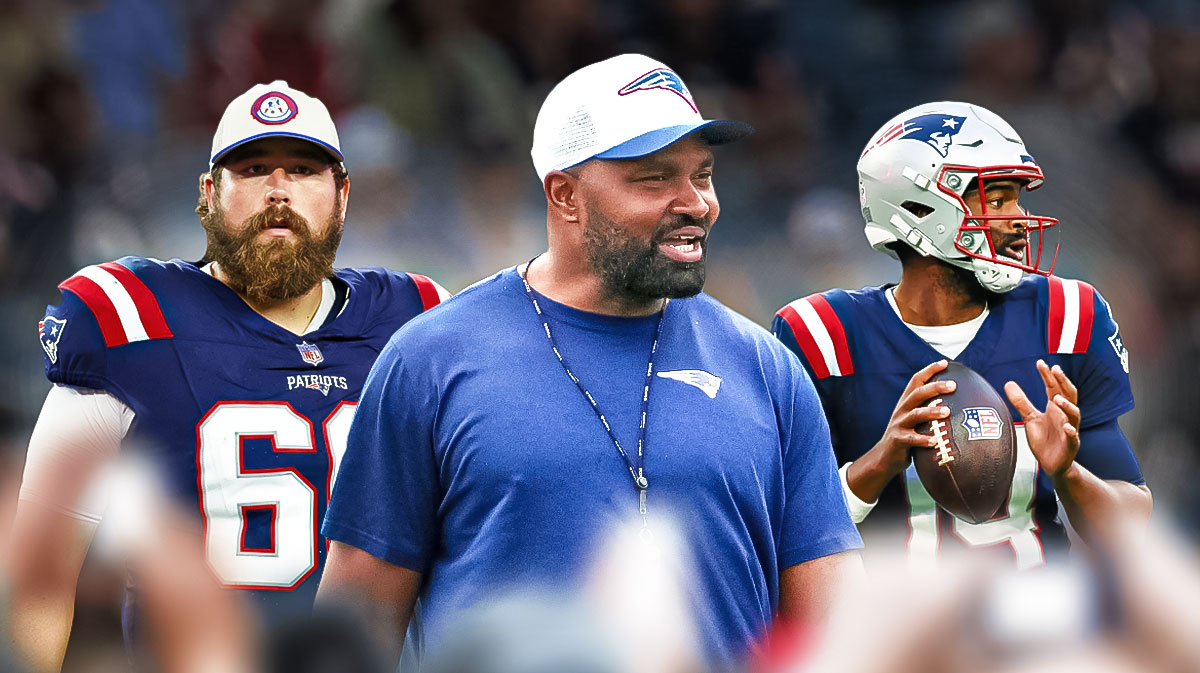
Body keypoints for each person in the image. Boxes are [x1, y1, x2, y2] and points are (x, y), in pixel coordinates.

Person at [316, 53, 863, 668]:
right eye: (655, 179)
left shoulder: (767, 369)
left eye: (702, 175)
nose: (697, 204)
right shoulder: (432, 360)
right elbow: (354, 629)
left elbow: (835, 637)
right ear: (566, 194)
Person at [6, 80, 448, 672]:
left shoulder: (417, 318)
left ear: (342, 194)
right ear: (210, 193)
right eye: (255, 168)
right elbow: (41, 573)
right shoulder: (128, 319)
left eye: (303, 170)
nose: (278, 191)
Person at [770, 101, 1152, 570]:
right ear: (921, 208)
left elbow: (1130, 530)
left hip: (1040, 624)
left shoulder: (1068, 316)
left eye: (1016, 197)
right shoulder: (823, 335)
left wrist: (1067, 472)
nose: (1018, 218)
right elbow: (780, 532)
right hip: (890, 630)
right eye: (997, 199)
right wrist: (877, 465)